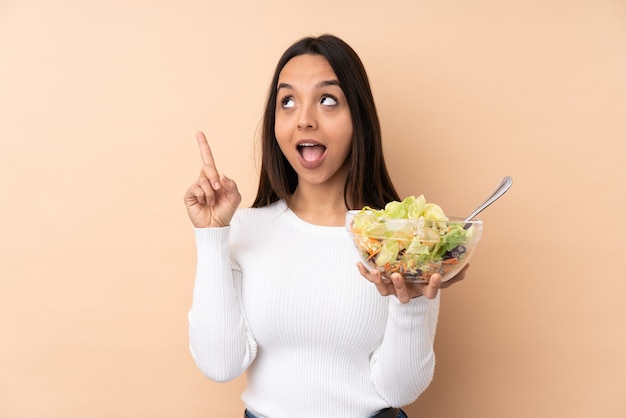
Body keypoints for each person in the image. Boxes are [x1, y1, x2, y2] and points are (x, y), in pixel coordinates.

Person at [184, 34, 467, 418]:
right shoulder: (244, 229)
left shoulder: (399, 237)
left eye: (327, 100)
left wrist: (412, 304)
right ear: (274, 124)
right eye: (288, 102)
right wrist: (212, 235)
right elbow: (220, 365)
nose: (304, 119)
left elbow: (401, 388)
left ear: (359, 118)